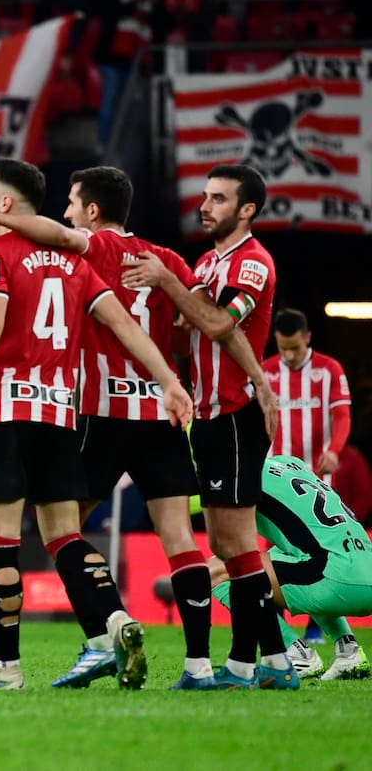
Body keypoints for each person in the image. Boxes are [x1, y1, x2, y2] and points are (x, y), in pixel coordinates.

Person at [0, 165, 277, 690]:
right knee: (183, 539)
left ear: (93, 211)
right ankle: (199, 664)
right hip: (159, 414)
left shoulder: (89, 250)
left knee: (60, 533)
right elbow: (203, 323)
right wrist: (226, 377)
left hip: (97, 416)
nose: (66, 213)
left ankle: (102, 631)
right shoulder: (168, 259)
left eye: (72, 203)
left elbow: (55, 247)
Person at [123, 163, 296, 689]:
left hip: (236, 414)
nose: (204, 205)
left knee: (238, 543)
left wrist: (166, 281)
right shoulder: (207, 262)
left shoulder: (253, 263)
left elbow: (221, 324)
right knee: (224, 543)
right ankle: (272, 661)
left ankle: (250, 663)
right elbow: (192, 334)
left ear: (247, 210)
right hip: (209, 415)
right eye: (205, 195)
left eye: (219, 198)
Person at [210, 455, 372, 682]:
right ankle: (348, 650)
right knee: (301, 556)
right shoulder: (292, 463)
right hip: (363, 564)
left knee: (219, 570)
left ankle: (294, 652)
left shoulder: (239, 474)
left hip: (334, 577)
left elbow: (228, 540)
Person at [263, 309, 351, 482]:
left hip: (318, 473)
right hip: (276, 473)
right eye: (283, 348)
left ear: (307, 337)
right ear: (276, 338)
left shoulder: (329, 369)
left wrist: (334, 451)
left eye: (295, 348)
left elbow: (342, 416)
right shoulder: (263, 372)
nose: (289, 355)